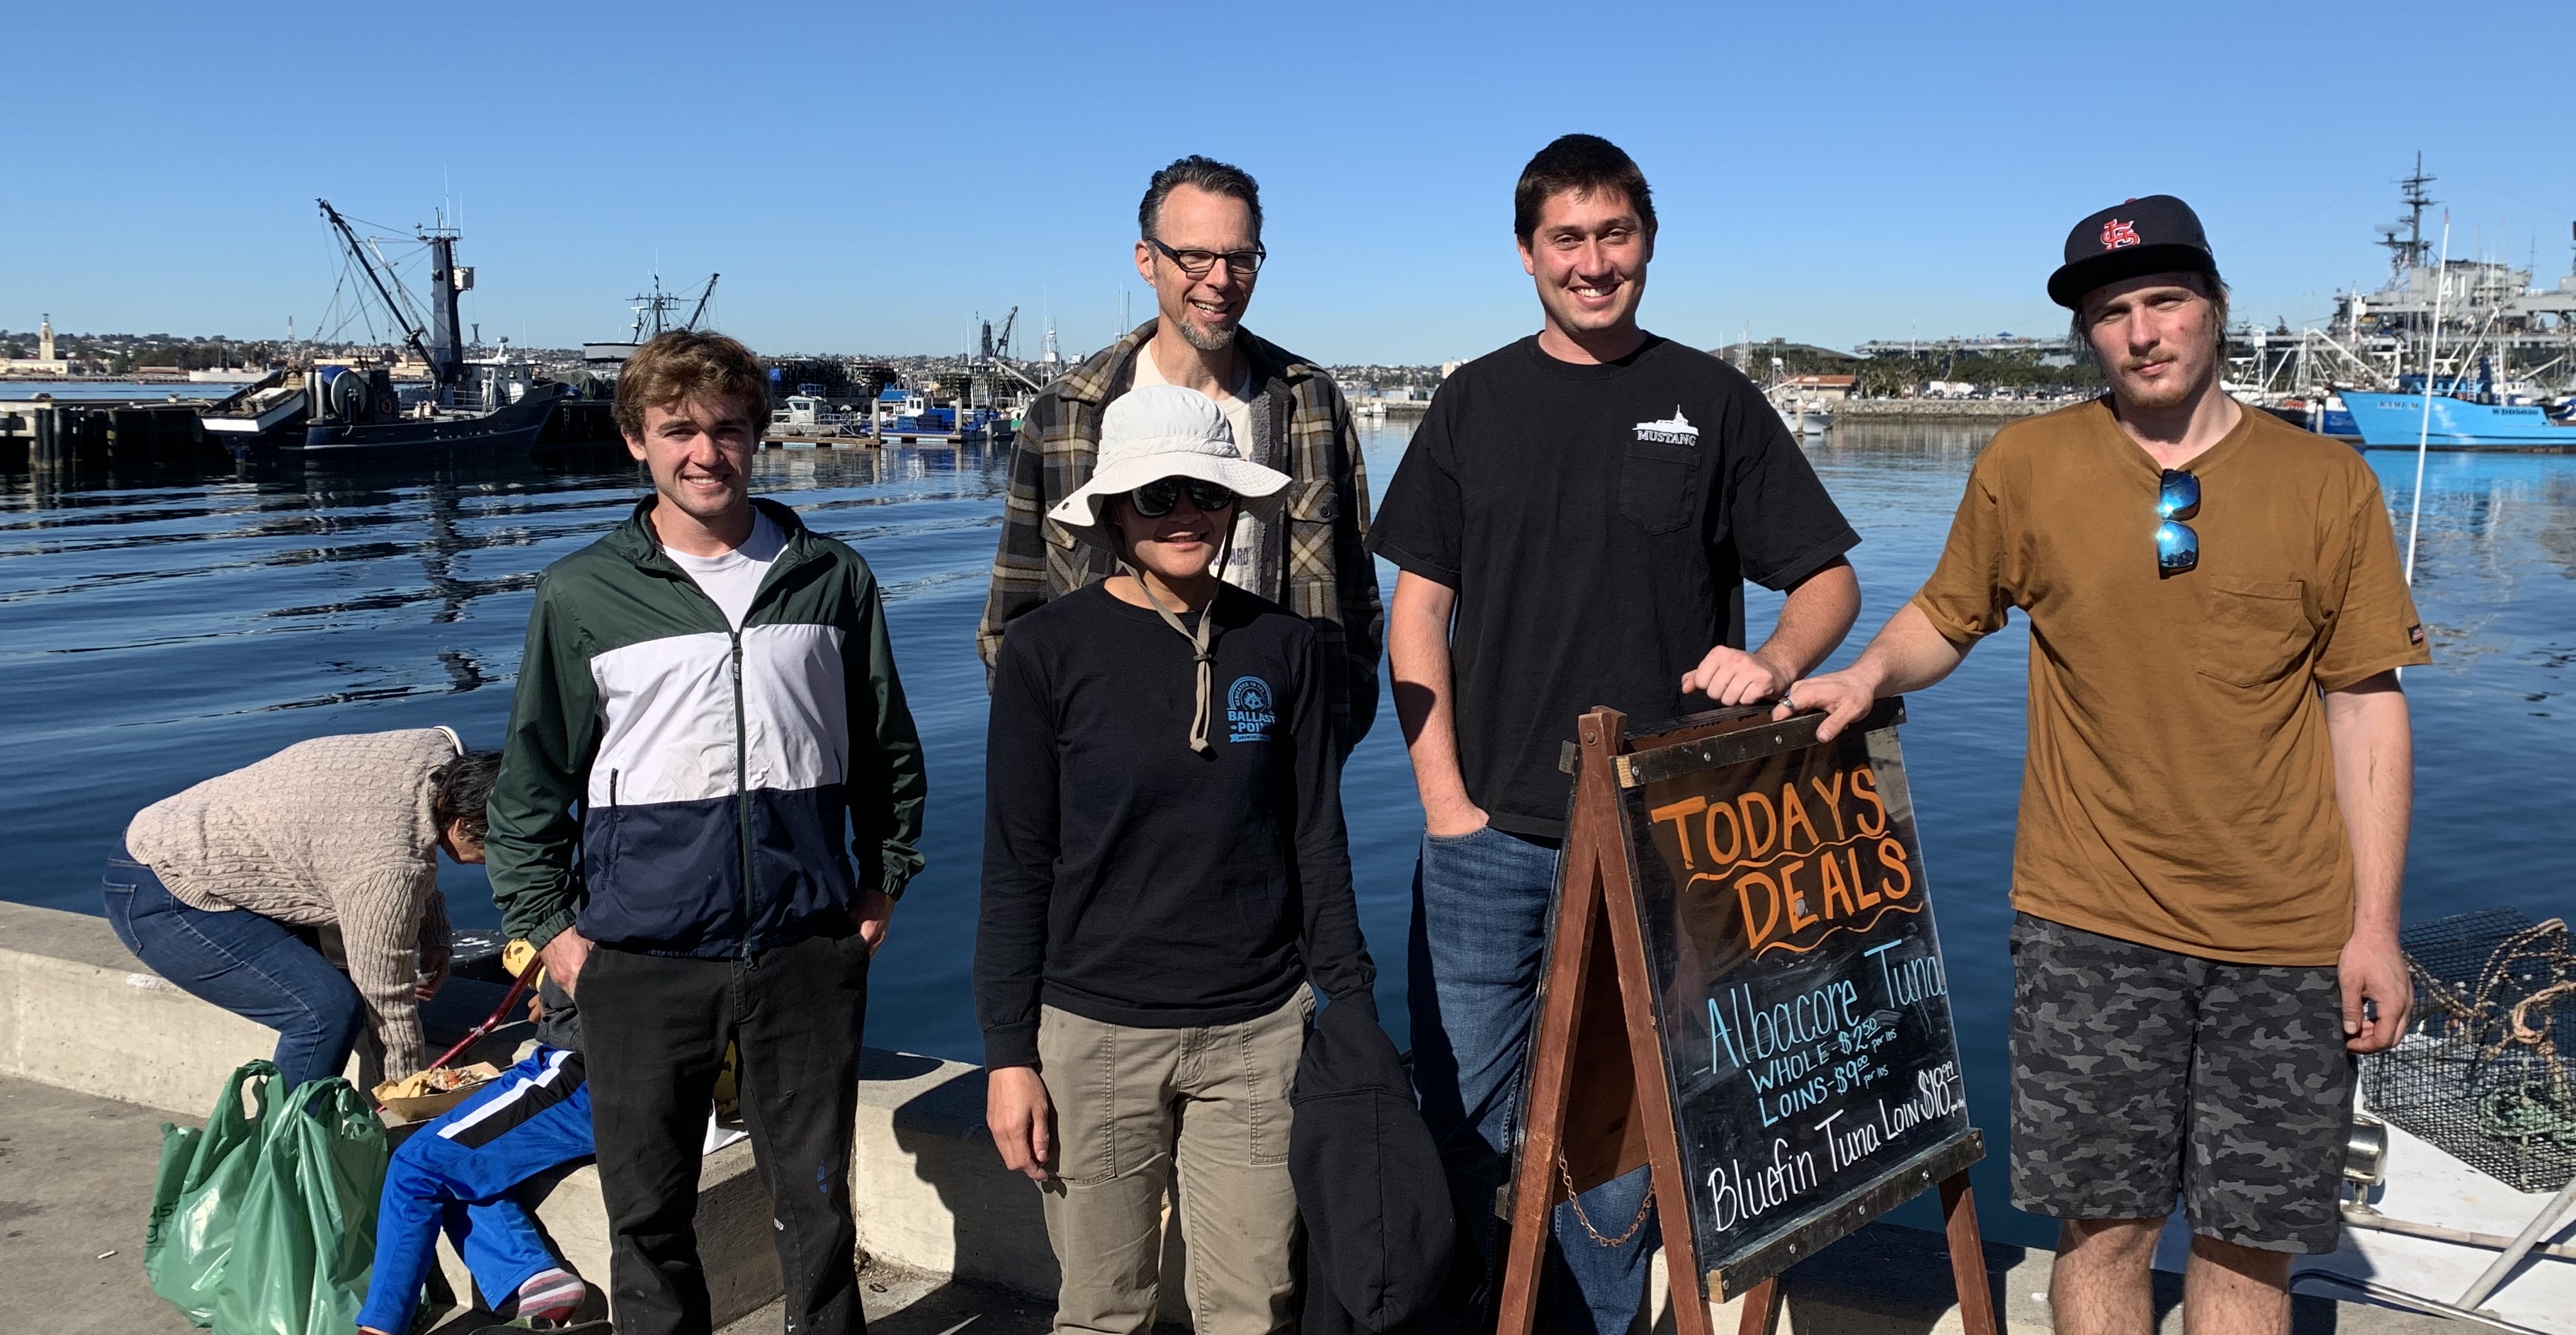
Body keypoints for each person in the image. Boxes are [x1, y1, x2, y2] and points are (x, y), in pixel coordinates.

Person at [1782, 195, 2427, 1335]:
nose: (2142, 332)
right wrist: (1865, 673)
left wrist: (2372, 926)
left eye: (2164, 301)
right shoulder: (2030, 465)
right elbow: (1948, 613)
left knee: (2245, 1251)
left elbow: (2365, 708)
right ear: (2089, 334)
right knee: (2103, 1229)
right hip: (2088, 926)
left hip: (2282, 936)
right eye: (2112, 311)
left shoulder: (2325, 483)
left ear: (2215, 310)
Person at [1369, 134, 1863, 1334]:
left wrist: (1780, 659)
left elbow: (1824, 581)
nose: (1593, 264)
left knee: (1622, 1128)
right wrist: (1442, 802)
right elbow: (1417, 612)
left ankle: (1599, 1324)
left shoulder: (1709, 400)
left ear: (1646, 238)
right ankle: (1480, 1311)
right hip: (1487, 836)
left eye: (1614, 236)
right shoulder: (1473, 401)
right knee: (1465, 1109)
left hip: (1661, 838)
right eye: (1566, 241)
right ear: (1527, 252)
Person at [486, 330, 928, 1335]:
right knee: (648, 1216)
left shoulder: (830, 578)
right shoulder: (581, 593)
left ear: (757, 436)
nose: (705, 452)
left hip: (807, 949)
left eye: (728, 428)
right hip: (639, 958)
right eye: (677, 429)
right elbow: (531, 784)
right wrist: (555, 934)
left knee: (816, 1204)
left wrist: (880, 885)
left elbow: (885, 750)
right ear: (636, 441)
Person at [977, 385, 1375, 1335]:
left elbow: (1315, 837)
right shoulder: (1044, 652)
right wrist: (1006, 1055)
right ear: (1113, 511)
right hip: (1092, 1033)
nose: (1185, 514)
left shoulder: (1290, 647)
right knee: (1101, 1307)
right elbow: (1015, 863)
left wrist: (1350, 1009)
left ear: (1235, 505)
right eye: (1156, 496)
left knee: (1252, 1303)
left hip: (1257, 1030)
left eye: (1207, 491)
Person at [977, 154, 1383, 754]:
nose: (1219, 278)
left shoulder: (1313, 406)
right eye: (1194, 255)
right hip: (1111, 790)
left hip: (1277, 788)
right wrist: (1065, 762)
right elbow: (1012, 623)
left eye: (1241, 258)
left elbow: (1359, 610)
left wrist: (1321, 748)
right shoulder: (1065, 415)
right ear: (1148, 261)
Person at [105, 730, 494, 1089]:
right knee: (324, 1013)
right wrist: (410, 1099)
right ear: (461, 825)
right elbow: (386, 998)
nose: (496, 863)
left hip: (192, 834)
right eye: (497, 849)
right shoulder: (387, 864)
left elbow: (413, 848)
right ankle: (286, 1151)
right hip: (163, 888)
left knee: (355, 965)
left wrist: (436, 938)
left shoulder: (432, 755)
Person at [358, 946, 594, 1335]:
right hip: (581, 1050)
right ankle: (535, 1279)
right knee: (449, 1161)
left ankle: (380, 1328)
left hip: (582, 1070)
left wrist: (569, 991)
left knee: (417, 1168)